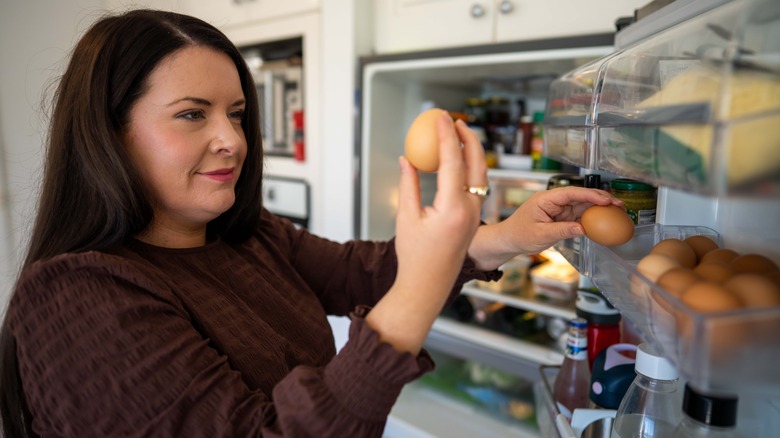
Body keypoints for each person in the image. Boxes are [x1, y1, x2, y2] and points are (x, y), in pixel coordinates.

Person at [0, 9, 623, 438]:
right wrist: (417, 293)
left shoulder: (247, 235)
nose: (232, 141)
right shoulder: (75, 297)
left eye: (237, 114)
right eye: (192, 114)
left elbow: (360, 272)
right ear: (108, 134)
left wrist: (506, 236)